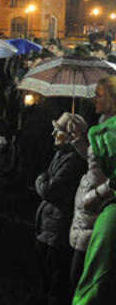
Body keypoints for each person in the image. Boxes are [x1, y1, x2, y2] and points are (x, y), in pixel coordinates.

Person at [33, 112, 86, 305]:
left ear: (71, 135)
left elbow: (50, 189)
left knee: (55, 279)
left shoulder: (73, 161)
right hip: (48, 225)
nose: (53, 133)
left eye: (59, 130)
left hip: (57, 229)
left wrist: (40, 179)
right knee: (44, 274)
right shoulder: (61, 153)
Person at [68, 76, 116, 287]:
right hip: (88, 207)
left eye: (99, 95)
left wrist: (94, 197)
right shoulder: (102, 124)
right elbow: (95, 163)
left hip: (100, 210)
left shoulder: (112, 133)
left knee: (83, 278)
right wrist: (78, 138)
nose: (93, 100)